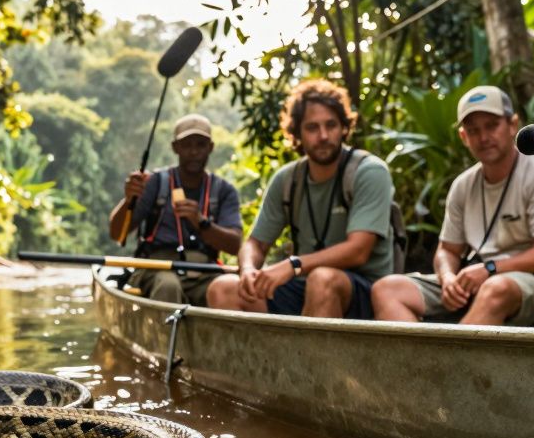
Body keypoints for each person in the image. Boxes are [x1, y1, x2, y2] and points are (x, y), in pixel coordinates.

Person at [371, 86, 534, 326]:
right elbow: (448, 250)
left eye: (492, 125)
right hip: (477, 277)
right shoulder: (463, 185)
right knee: (387, 289)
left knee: (494, 289)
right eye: (473, 130)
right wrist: (448, 278)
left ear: (512, 125)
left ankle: (449, 364)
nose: (483, 137)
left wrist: (489, 268)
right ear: (463, 137)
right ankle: (422, 363)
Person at [205, 80, 395, 318]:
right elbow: (255, 244)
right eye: (312, 128)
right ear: (297, 133)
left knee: (322, 279)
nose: (323, 136)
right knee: (224, 289)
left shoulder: (368, 171)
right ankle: (260, 356)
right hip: (307, 286)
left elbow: (358, 250)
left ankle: (313, 356)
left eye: (331, 125)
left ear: (344, 128)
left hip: (365, 291)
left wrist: (293, 264)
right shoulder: (288, 180)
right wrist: (248, 270)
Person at [108, 113, 242, 306]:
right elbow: (117, 234)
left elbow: (235, 245)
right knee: (168, 285)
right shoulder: (155, 183)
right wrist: (129, 200)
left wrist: (201, 222)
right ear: (175, 148)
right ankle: (164, 336)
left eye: (200, 145)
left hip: (204, 271)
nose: (194, 152)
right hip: (156, 268)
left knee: (230, 287)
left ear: (210, 147)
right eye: (187, 145)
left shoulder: (223, 191)